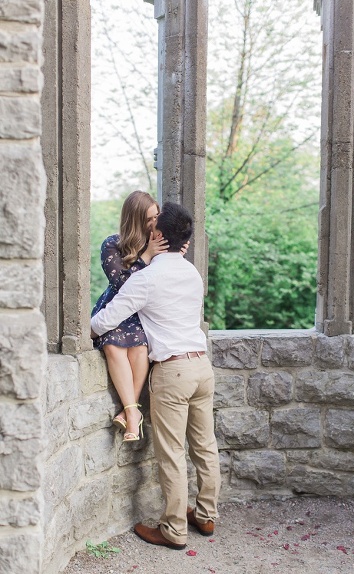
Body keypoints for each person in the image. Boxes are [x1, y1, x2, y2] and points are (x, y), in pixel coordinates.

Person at [91, 202, 220, 550]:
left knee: (172, 453)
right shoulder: (194, 274)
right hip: (201, 367)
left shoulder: (146, 279)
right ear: (186, 242)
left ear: (158, 235)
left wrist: (89, 328)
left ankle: (174, 530)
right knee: (205, 446)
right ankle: (206, 515)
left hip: (173, 372)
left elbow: (104, 321)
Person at [92, 190, 167, 442]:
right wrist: (146, 256)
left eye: (156, 216)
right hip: (116, 309)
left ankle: (129, 412)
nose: (154, 223)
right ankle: (134, 414)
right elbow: (122, 284)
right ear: (134, 219)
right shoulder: (112, 243)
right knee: (113, 345)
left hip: (142, 313)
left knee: (139, 348)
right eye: (148, 219)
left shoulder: (159, 244)